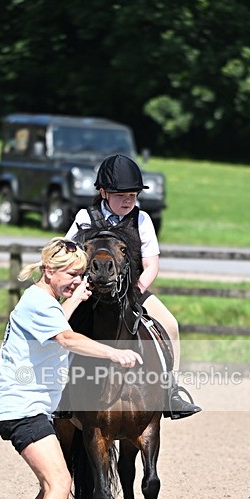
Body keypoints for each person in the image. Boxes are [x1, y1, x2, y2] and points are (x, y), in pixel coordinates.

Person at [0, 237, 142, 499]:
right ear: (48, 270)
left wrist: (73, 301)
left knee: (49, 486)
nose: (77, 281)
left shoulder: (41, 301)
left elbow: (56, 320)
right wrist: (113, 353)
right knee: (59, 482)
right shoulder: (38, 303)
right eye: (71, 274)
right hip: (22, 410)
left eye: (80, 275)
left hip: (28, 409)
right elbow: (67, 338)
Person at [65, 153, 201, 419]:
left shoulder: (142, 220)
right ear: (103, 193)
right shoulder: (85, 216)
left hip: (132, 289)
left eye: (133, 195)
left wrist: (134, 293)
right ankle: (60, 391)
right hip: (89, 292)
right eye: (121, 196)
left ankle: (170, 391)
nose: (128, 201)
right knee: (63, 330)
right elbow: (67, 253)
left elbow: (151, 266)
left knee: (171, 325)